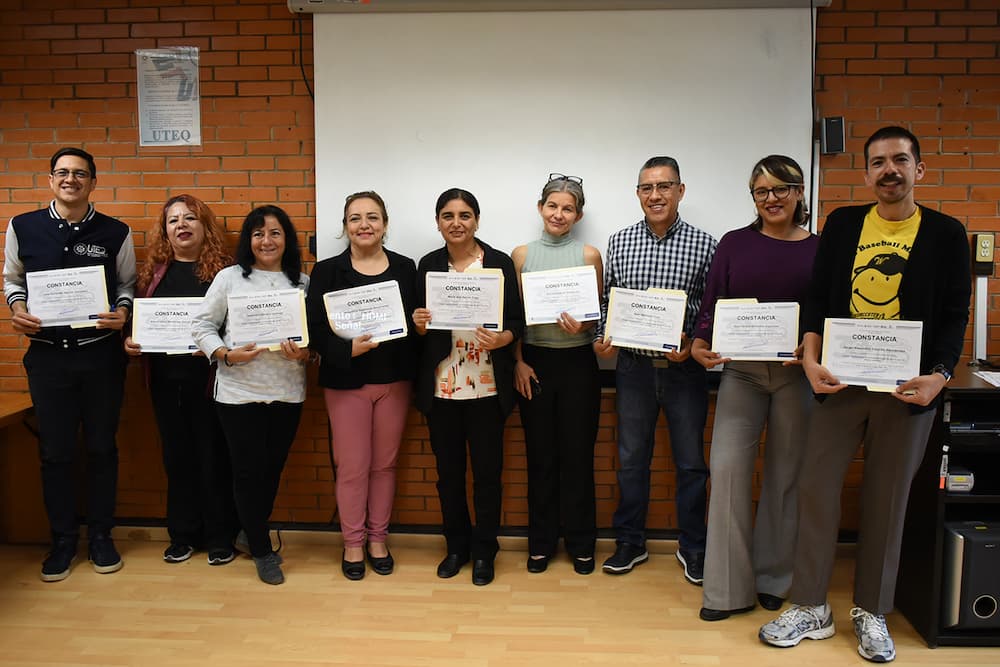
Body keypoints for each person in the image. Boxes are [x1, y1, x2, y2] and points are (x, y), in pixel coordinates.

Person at [758, 126, 971, 663]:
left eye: (900, 160)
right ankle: (811, 606)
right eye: (878, 162)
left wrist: (940, 375)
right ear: (867, 172)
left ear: (919, 169)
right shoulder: (844, 223)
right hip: (841, 383)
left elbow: (954, 315)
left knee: (887, 498)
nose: (889, 170)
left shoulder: (946, 233)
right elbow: (819, 296)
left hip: (907, 389)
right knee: (816, 489)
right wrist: (810, 357)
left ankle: (872, 611)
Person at [690, 156, 819, 620]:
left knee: (785, 477)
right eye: (762, 191)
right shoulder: (734, 243)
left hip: (795, 376)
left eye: (781, 189)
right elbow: (712, 303)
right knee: (726, 473)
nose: (771, 199)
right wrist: (700, 342)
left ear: (799, 192)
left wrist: (812, 346)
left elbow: (825, 311)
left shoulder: (820, 249)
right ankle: (725, 590)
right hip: (741, 373)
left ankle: (773, 578)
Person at [3, 147, 136, 582]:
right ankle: (61, 540)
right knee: (55, 453)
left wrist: (123, 311)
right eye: (62, 172)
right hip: (47, 358)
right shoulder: (22, 226)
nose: (70, 179)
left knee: (101, 449)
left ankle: (100, 536)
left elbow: (127, 284)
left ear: (93, 182)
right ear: (50, 180)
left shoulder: (116, 231)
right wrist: (17, 308)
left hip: (100, 356)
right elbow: (12, 279)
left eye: (80, 174)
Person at [594, 156, 716, 582]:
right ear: (638, 194)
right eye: (647, 188)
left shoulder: (706, 244)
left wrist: (693, 341)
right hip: (633, 369)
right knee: (630, 460)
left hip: (685, 370)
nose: (655, 195)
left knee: (691, 464)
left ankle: (694, 547)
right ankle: (630, 543)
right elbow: (608, 301)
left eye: (664, 186)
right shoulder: (620, 241)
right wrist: (602, 334)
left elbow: (712, 308)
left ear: (680, 191)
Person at [191, 205, 312, 586]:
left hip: (287, 391)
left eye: (275, 233)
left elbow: (314, 339)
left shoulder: (302, 283)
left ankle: (249, 533)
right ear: (249, 240)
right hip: (238, 392)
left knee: (272, 469)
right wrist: (225, 354)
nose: (266, 241)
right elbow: (201, 325)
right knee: (247, 472)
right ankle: (261, 550)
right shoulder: (229, 278)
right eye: (258, 234)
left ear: (287, 239)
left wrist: (305, 353)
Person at [412, 188, 524, 586]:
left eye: (464, 215)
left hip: (487, 387)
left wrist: (504, 338)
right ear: (438, 222)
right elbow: (416, 328)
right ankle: (456, 547)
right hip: (442, 387)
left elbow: (517, 321)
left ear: (476, 220)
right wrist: (418, 324)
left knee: (488, 475)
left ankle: (484, 551)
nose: (456, 223)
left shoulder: (499, 263)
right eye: (448, 216)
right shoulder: (427, 265)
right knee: (449, 475)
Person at [306, 191, 416, 581]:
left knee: (384, 465)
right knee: (353, 467)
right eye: (355, 218)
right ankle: (353, 543)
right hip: (346, 381)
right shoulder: (327, 271)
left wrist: (419, 323)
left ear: (385, 224)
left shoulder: (405, 267)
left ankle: (378, 540)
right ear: (345, 227)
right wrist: (346, 348)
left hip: (394, 380)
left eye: (372, 217)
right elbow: (314, 329)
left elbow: (415, 323)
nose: (364, 225)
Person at [124, 194, 239, 566]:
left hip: (213, 382)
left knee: (214, 458)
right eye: (173, 220)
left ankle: (220, 537)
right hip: (165, 383)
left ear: (205, 226)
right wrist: (130, 341)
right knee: (176, 459)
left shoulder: (224, 272)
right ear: (165, 230)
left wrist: (215, 345)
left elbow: (238, 324)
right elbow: (135, 323)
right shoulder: (153, 273)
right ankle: (183, 535)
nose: (181, 226)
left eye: (190, 218)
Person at [511, 174, 603, 575]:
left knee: (578, 457)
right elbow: (513, 317)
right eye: (552, 206)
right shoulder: (521, 255)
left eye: (568, 208)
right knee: (541, 458)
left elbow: (596, 319)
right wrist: (517, 361)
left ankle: (582, 543)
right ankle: (541, 543)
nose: (559, 214)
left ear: (578, 215)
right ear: (540, 208)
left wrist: (584, 325)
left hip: (578, 364)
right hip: (534, 363)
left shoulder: (589, 255)